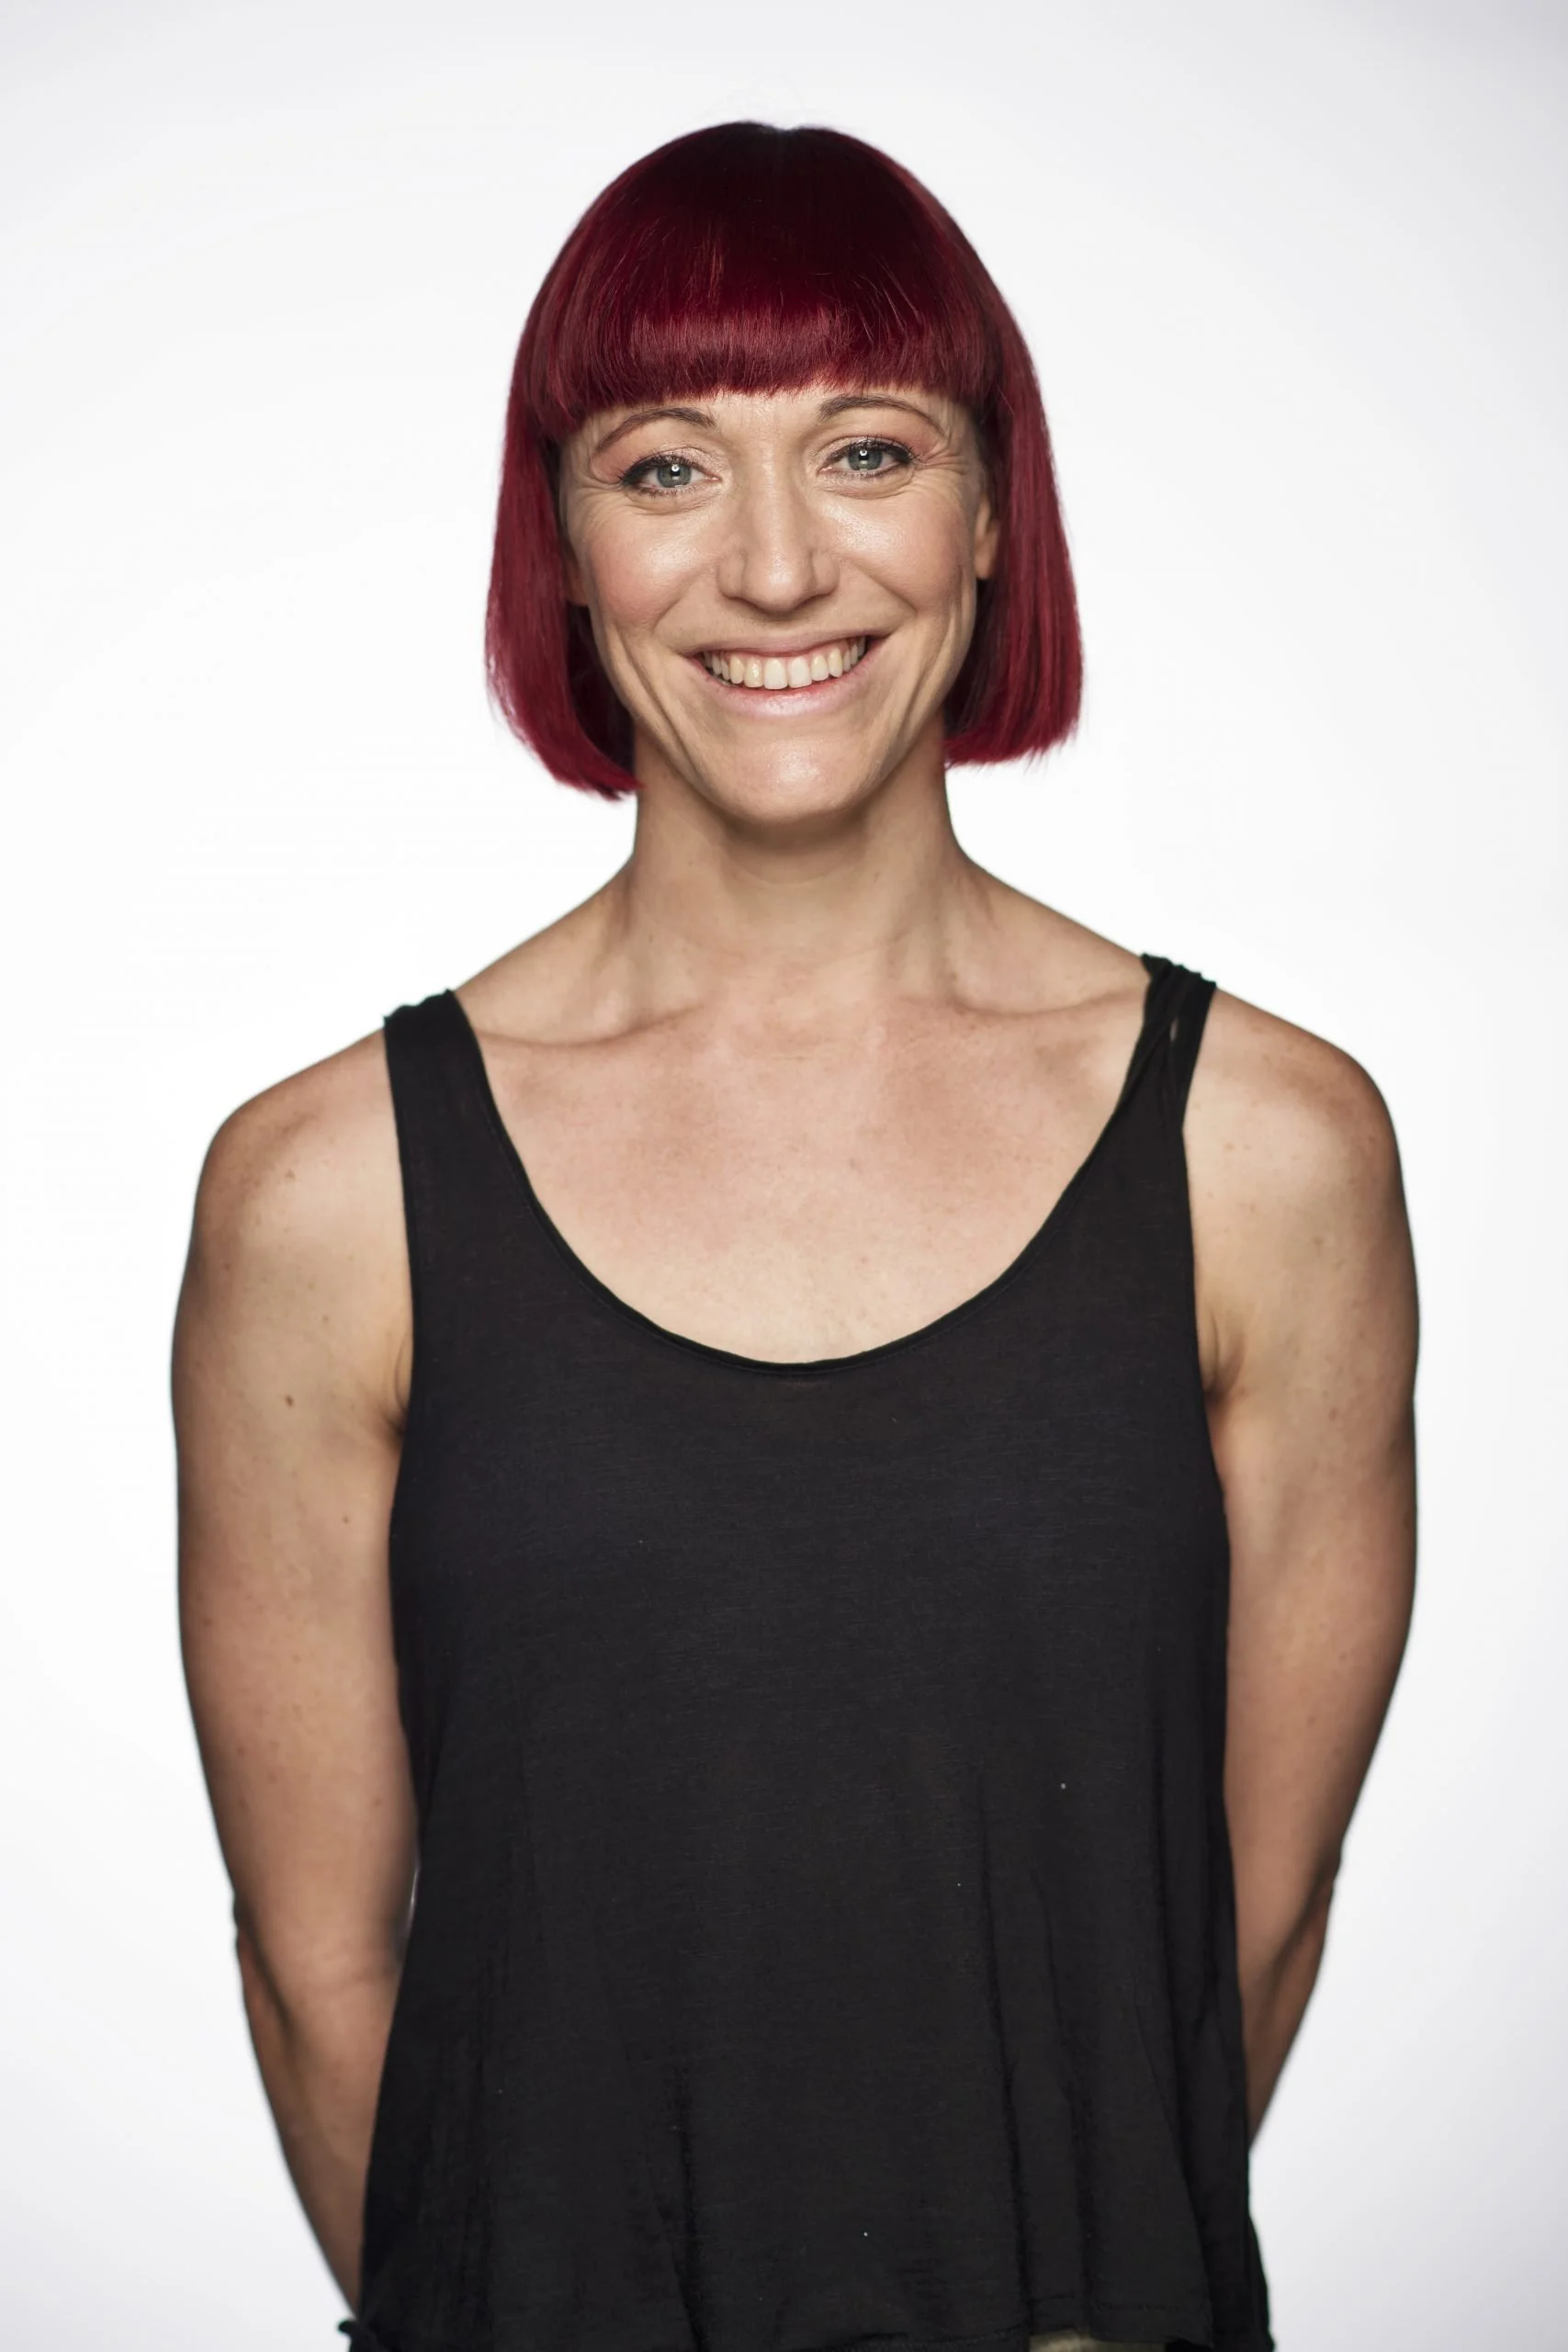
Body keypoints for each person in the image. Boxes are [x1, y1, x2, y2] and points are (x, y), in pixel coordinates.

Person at [174, 121, 1417, 2352]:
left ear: (989, 516)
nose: (770, 567)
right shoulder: (324, 1196)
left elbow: (1245, 1907)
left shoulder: (1270, 1154)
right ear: (557, 539)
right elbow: (318, 1955)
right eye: (664, 467)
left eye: (865, 449)